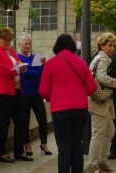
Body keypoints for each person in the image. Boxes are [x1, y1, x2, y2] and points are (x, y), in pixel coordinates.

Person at [39, 33, 97, 173]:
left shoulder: (51, 63)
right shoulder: (81, 62)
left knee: (64, 147)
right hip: (80, 108)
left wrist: (52, 98)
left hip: (60, 110)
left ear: (57, 47)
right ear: (72, 46)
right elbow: (92, 88)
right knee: (77, 145)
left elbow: (43, 90)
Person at [0, 27, 33, 163]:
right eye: (6, 40)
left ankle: (19, 151)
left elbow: (17, 62)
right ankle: (1, 153)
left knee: (21, 120)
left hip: (16, 89)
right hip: (3, 91)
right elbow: (5, 70)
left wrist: (22, 65)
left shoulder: (11, 50)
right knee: (4, 121)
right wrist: (18, 69)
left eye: (10, 40)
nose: (9, 43)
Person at [85, 33, 116, 172]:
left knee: (109, 131)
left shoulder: (99, 58)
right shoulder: (103, 59)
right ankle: (92, 165)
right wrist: (115, 82)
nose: (112, 48)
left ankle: (100, 161)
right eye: (109, 45)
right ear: (102, 46)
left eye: (113, 45)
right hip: (99, 102)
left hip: (100, 101)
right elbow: (101, 77)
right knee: (99, 134)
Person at [17, 32, 52, 156]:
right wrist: (34, 71)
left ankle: (44, 143)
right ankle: (27, 144)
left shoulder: (35, 57)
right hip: (25, 93)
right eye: (25, 44)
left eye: (29, 44)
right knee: (25, 120)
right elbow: (23, 73)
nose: (28, 46)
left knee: (42, 118)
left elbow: (40, 72)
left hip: (36, 93)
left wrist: (41, 67)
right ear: (20, 44)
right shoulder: (18, 57)